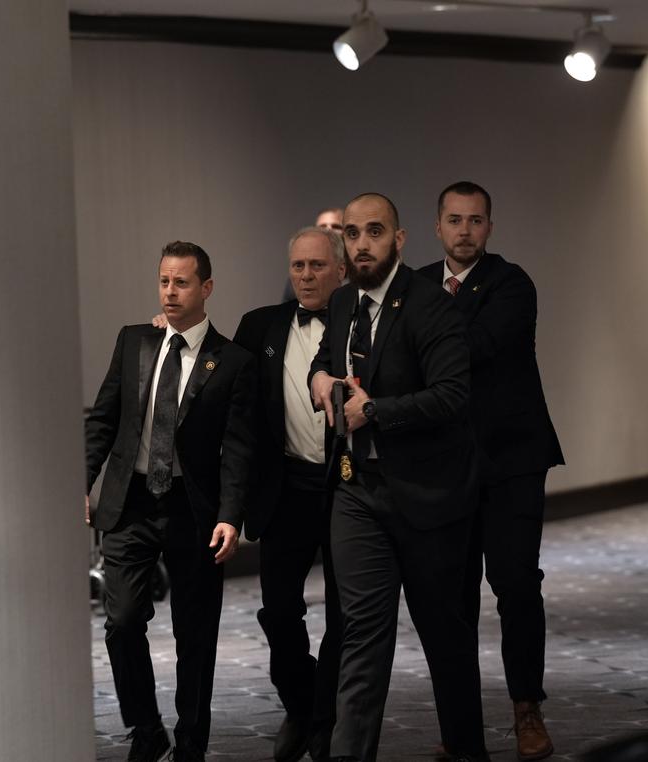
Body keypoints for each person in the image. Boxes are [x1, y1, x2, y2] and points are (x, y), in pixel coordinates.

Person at [308, 193, 486, 762]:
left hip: (429, 497)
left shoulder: (431, 305)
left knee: (444, 637)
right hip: (357, 489)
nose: (362, 244)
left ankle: (466, 749)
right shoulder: (341, 304)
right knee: (360, 634)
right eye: (354, 234)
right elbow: (326, 358)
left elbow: (454, 397)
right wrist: (317, 378)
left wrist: (376, 411)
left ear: (400, 239)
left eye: (375, 233)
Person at [85, 241, 257, 762]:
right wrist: (81, 480)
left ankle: (191, 742)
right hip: (130, 501)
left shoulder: (232, 362)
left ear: (206, 288)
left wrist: (230, 515)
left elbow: (238, 448)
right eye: (164, 281)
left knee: (195, 634)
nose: (170, 291)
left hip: (193, 508)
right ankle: (145, 728)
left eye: (182, 282)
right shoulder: (135, 340)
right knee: (121, 620)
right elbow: (103, 419)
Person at [417, 181, 564, 761]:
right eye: (454, 220)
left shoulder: (511, 283)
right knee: (452, 598)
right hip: (444, 469)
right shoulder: (419, 285)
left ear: (489, 228)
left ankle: (527, 709)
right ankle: (462, 729)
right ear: (437, 226)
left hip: (512, 461)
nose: (464, 231)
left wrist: (415, 341)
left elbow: (473, 346)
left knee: (516, 586)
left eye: (475, 221)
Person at [233, 227, 346, 761]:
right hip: (287, 488)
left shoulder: (360, 325)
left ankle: (324, 720)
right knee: (279, 611)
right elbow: (221, 377)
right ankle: (300, 705)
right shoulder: (261, 326)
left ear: (340, 272)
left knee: (347, 616)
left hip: (348, 487)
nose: (306, 276)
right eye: (298, 266)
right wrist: (170, 329)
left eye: (317, 266)